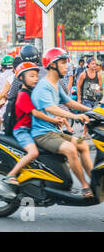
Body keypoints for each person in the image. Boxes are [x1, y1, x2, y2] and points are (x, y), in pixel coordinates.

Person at [31, 48, 94, 198]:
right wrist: (76, 117)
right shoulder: (43, 86)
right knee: (71, 149)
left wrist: (92, 111)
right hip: (43, 134)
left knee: (82, 144)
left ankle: (96, 182)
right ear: (53, 65)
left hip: (55, 132)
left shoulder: (56, 84)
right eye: (63, 63)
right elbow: (51, 108)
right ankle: (85, 187)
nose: (67, 66)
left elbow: (69, 102)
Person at [4, 62, 65, 185]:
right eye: (31, 76)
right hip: (22, 130)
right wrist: (54, 120)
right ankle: (11, 175)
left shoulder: (32, 93)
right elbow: (36, 113)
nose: (36, 79)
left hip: (32, 129)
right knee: (33, 153)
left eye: (37, 76)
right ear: (21, 78)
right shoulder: (22, 95)